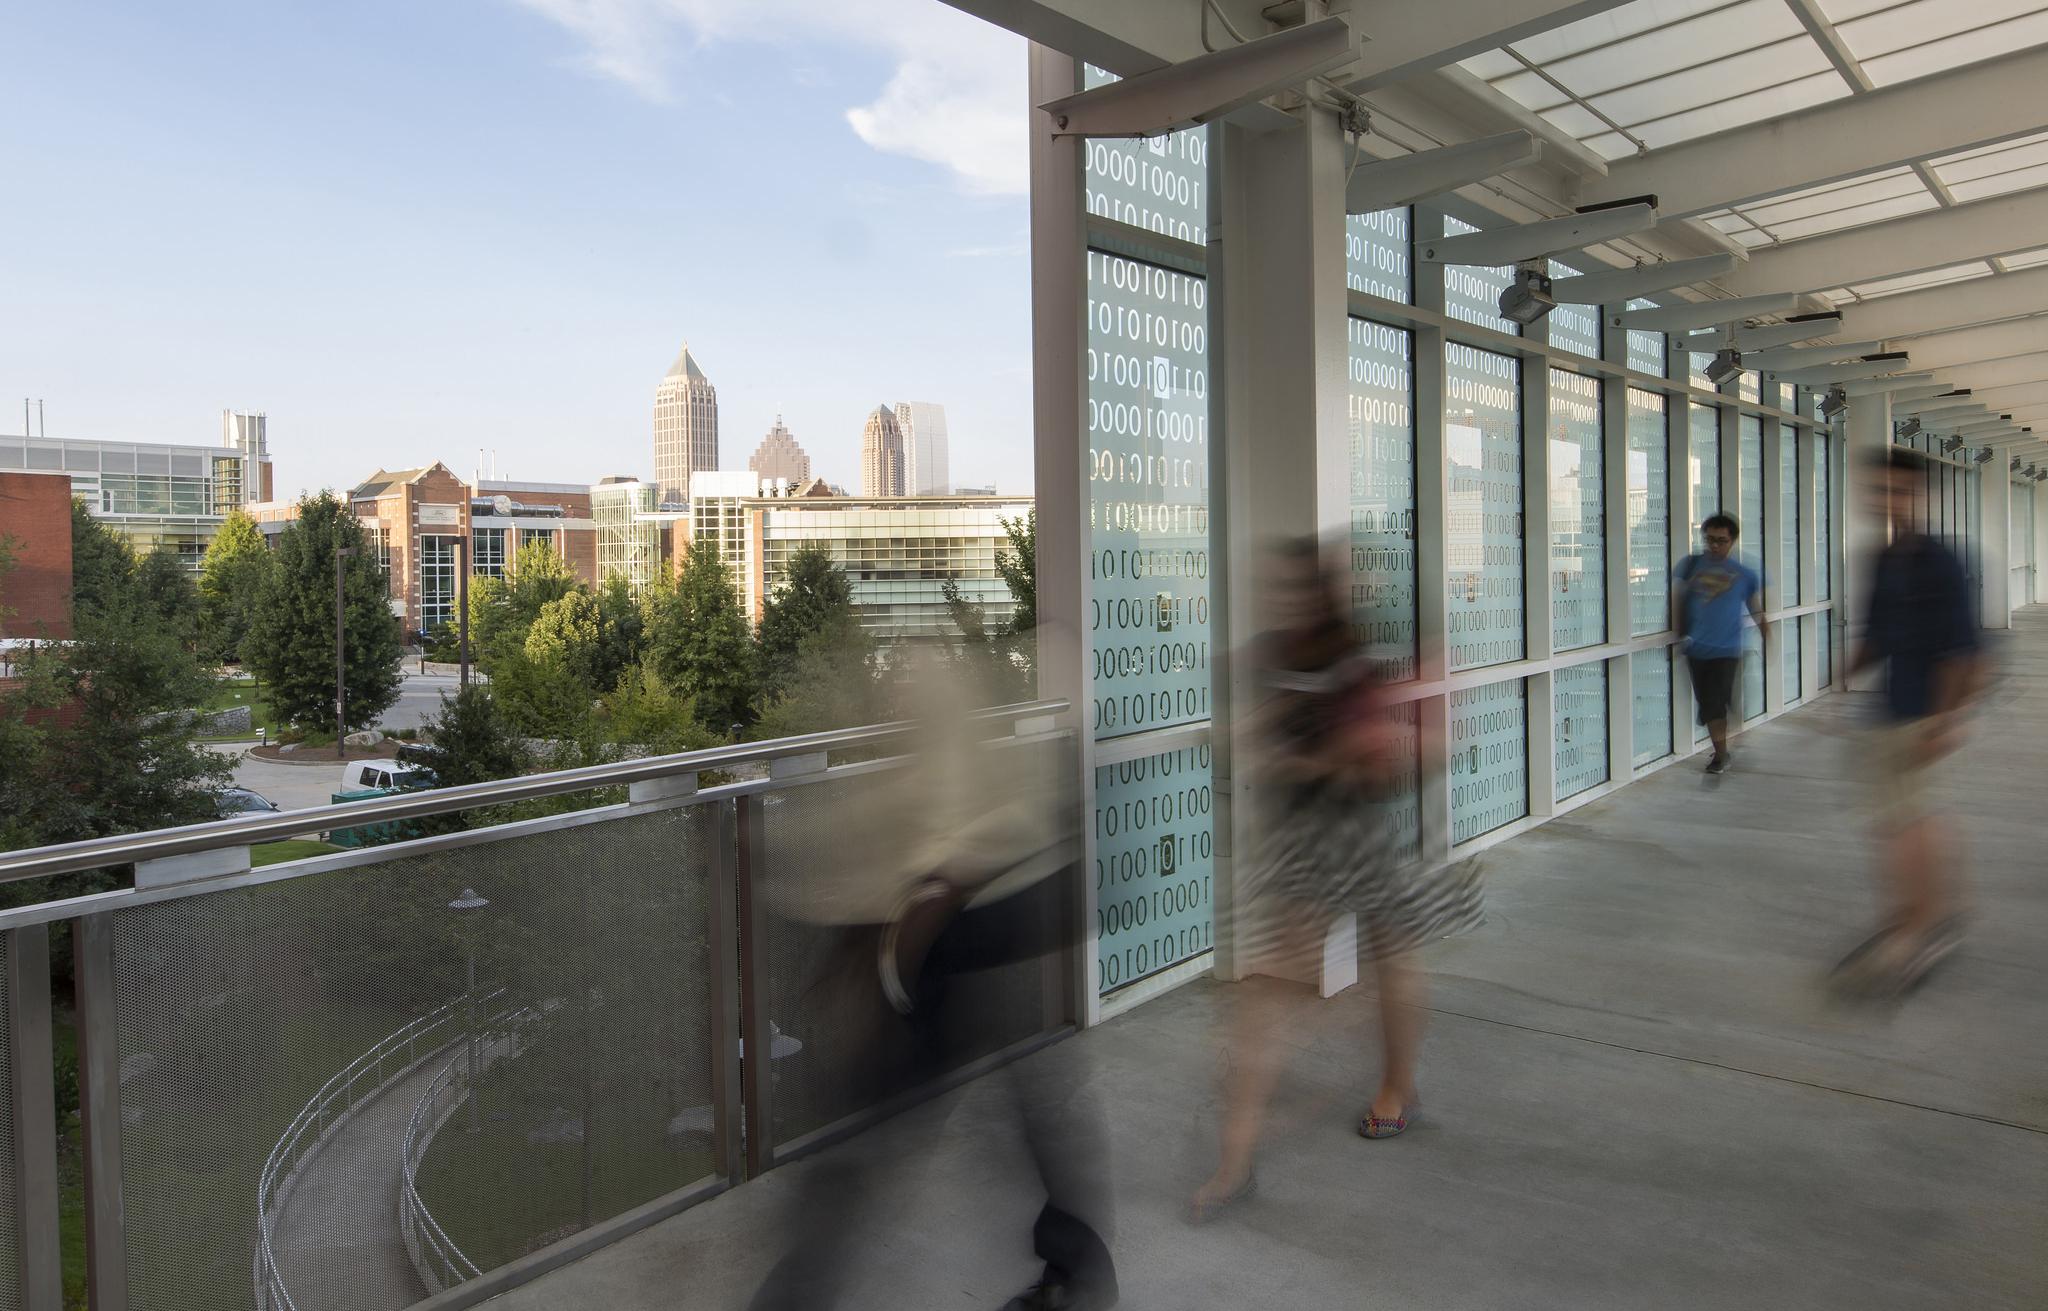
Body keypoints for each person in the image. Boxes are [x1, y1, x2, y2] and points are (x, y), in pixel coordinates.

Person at [748, 648, 1115, 1311]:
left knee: (876, 1116)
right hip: (963, 930)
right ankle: (1081, 1264)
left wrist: (880, 954)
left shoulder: (942, 725)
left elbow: (933, 854)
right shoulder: (943, 721)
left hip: (960, 929)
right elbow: (909, 831)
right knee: (1015, 1098)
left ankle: (796, 1296)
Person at [1190, 538, 1479, 1223]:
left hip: (1358, 834)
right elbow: (1264, 736)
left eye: (1293, 589)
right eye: (1273, 589)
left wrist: (1310, 760)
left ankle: (1397, 1086)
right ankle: (1234, 1161)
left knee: (1392, 957)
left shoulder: (1356, 658)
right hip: (1297, 843)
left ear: (1320, 592)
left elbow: (1386, 754)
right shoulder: (1271, 653)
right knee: (1265, 993)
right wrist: (1256, 743)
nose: (1280, 600)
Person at [1834, 447, 1982, 997]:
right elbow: (1876, 636)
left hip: (1920, 714)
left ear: (1918, 495)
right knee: (1896, 824)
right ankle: (1918, 918)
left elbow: (1965, 650)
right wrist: (1839, 682)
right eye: (1878, 491)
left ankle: (1921, 927)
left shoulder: (1940, 561)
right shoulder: (1884, 559)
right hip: (1888, 708)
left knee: (1908, 822)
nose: (1886, 500)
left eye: (1896, 490)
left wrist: (1948, 720)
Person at [1673, 513, 1767, 775]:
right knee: (1710, 704)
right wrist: (1677, 636)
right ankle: (1725, 738)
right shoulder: (1690, 566)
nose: (1714, 546)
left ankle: (1721, 754)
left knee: (1714, 705)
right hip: (1697, 650)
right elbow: (1678, 601)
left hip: (1727, 651)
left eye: (1721, 541)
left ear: (1732, 541)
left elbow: (1756, 608)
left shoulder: (1744, 574)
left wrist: (1767, 635)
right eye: (1710, 540)